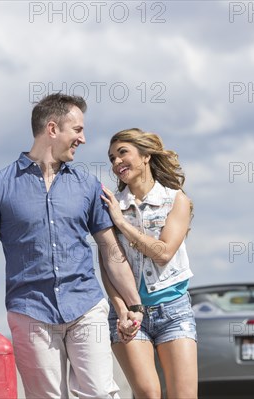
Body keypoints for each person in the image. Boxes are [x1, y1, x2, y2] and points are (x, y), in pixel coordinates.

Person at [0, 93, 143, 398]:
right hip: (30, 312)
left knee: (101, 393)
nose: (83, 139)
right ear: (52, 129)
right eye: (77, 130)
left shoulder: (87, 185)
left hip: (85, 305)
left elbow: (110, 250)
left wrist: (133, 304)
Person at [100, 128, 198, 398]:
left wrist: (121, 223)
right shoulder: (109, 204)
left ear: (145, 156)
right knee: (147, 393)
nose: (116, 162)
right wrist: (121, 310)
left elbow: (163, 252)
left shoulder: (176, 199)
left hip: (174, 312)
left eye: (122, 153)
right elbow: (108, 264)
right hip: (130, 314)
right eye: (111, 158)